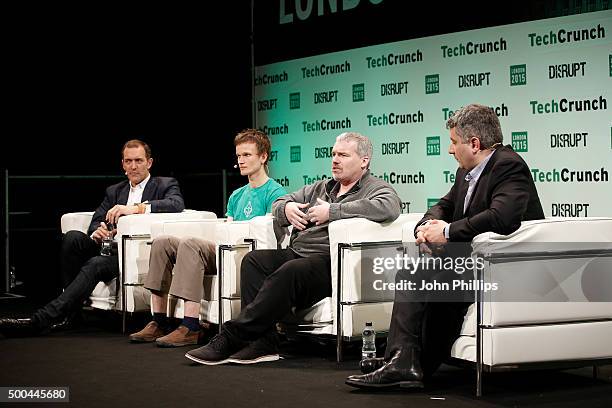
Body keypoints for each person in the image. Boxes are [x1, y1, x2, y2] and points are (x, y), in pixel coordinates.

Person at [345, 104, 545, 389]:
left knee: (417, 275)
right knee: (420, 275)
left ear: (474, 143)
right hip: (474, 264)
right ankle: (405, 360)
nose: (450, 150)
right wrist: (427, 227)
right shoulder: (467, 172)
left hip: (509, 269)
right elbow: (444, 205)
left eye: (454, 142)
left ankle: (404, 361)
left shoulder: (508, 165)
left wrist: (448, 232)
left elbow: (503, 217)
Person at [184, 131, 402, 365]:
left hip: (329, 262)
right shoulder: (321, 188)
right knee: (253, 261)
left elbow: (390, 207)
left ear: (364, 161)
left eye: (343, 155)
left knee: (291, 270)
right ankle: (263, 343)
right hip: (298, 252)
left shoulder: (375, 188)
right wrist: (286, 209)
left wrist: (332, 212)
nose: (335, 160)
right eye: (333, 154)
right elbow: (280, 201)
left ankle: (231, 337)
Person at [0, 139, 185, 336]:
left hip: (132, 255)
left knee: (96, 264)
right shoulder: (115, 190)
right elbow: (97, 220)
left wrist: (136, 209)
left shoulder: (164, 184)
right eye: (128, 161)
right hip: (107, 247)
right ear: (123, 164)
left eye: (138, 161)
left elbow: (175, 204)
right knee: (72, 238)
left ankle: (41, 320)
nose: (133, 166)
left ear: (149, 163)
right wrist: (98, 231)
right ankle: (73, 314)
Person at [128, 129, 286, 347]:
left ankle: (191, 326)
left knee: (191, 244)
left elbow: (267, 234)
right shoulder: (237, 195)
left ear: (263, 156)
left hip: (245, 254)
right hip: (224, 250)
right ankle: (159, 321)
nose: (241, 161)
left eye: (247, 155)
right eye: (238, 156)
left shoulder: (275, 192)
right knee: (163, 242)